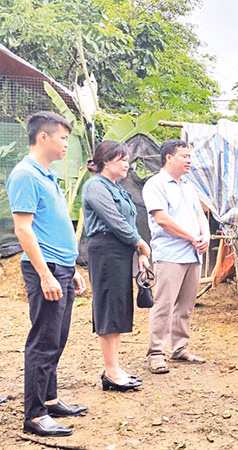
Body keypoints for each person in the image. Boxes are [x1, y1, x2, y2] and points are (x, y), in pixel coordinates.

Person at [7, 111, 88, 437]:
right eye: (63, 137)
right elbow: (23, 230)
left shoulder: (46, 175)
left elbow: (50, 226)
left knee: (57, 338)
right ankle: (35, 415)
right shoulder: (25, 174)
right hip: (47, 269)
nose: (67, 143)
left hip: (62, 267)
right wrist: (46, 274)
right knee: (43, 341)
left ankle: (50, 399)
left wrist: (72, 268)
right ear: (44, 137)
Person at [82, 141, 151, 392]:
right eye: (122, 159)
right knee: (109, 308)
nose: (127, 164)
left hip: (121, 250)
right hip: (106, 250)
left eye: (128, 160)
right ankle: (111, 372)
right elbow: (115, 220)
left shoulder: (117, 188)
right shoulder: (95, 186)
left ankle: (115, 368)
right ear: (106, 161)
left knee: (119, 307)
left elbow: (128, 224)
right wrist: (140, 242)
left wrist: (138, 251)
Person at [142, 140, 209, 374]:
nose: (189, 160)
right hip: (170, 254)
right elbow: (162, 219)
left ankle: (179, 347)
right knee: (164, 304)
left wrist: (206, 235)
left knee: (186, 306)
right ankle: (155, 353)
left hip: (193, 253)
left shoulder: (188, 186)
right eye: (184, 156)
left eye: (190, 156)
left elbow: (200, 214)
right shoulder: (155, 184)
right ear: (169, 158)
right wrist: (193, 237)